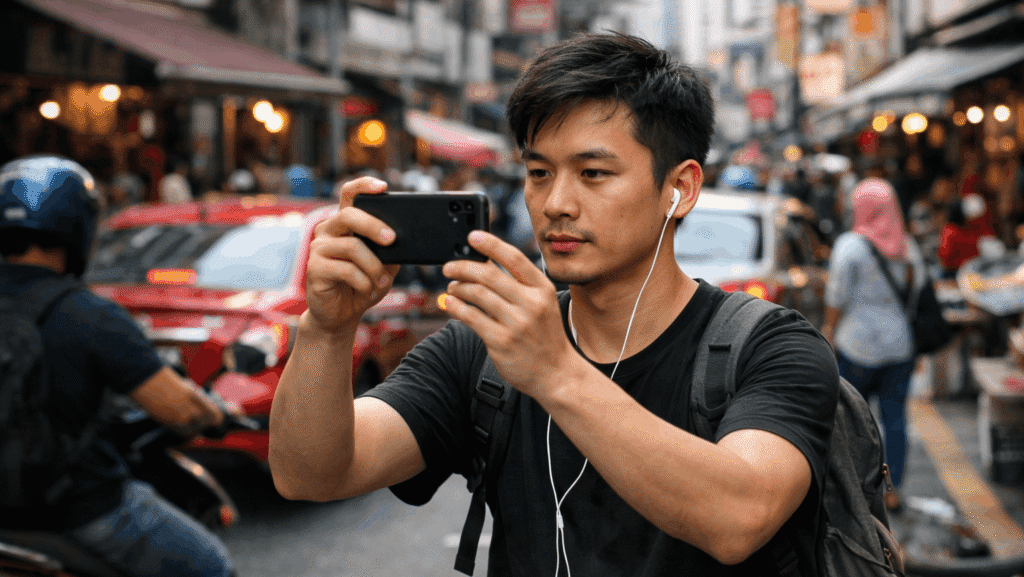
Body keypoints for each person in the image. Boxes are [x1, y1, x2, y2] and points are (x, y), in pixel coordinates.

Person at [269, 33, 838, 576]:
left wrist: (554, 372)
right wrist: (325, 329)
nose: (556, 203)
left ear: (680, 189)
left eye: (593, 173)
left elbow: (740, 517)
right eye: (539, 173)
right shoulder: (484, 349)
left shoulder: (769, 347)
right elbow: (310, 474)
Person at [0, 155, 237, 577]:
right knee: (212, 565)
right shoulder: (89, 315)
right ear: (79, 228)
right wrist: (216, 413)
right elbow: (181, 410)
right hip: (81, 510)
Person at [821, 177, 927, 512]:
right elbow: (919, 287)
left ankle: (854, 488)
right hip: (900, 346)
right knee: (895, 420)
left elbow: (836, 295)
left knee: (851, 420)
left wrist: (828, 330)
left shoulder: (850, 246)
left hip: (857, 347)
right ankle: (892, 489)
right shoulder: (906, 246)